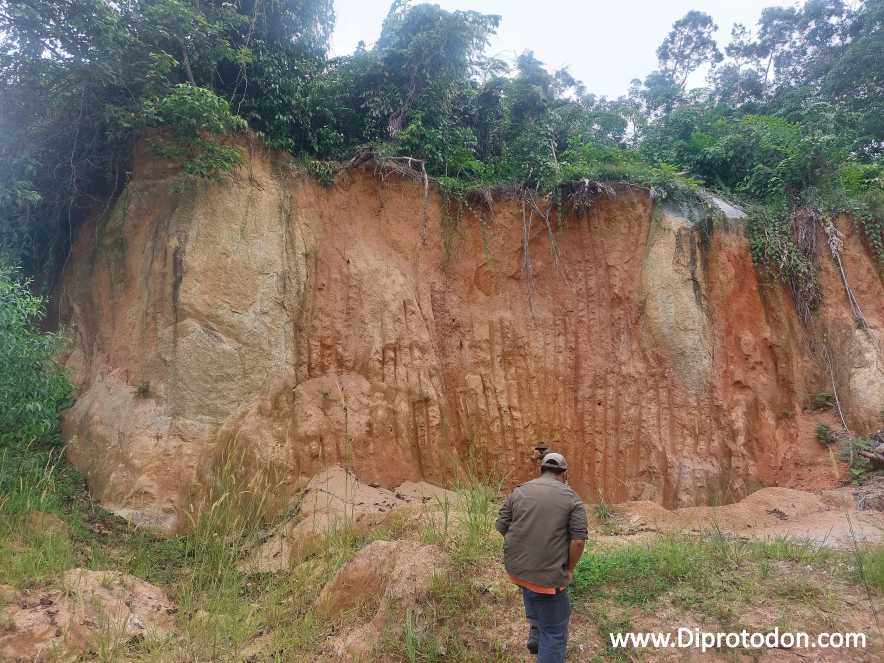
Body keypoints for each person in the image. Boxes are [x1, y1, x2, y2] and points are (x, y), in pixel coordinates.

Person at [495, 452, 587, 662]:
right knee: (555, 633)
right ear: (564, 474)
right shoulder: (572, 499)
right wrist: (569, 570)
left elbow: (501, 526)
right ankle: (542, 638)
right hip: (548, 578)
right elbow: (578, 541)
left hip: (517, 570)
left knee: (530, 587)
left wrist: (522, 546)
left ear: (541, 470)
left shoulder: (519, 491)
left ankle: (536, 634)